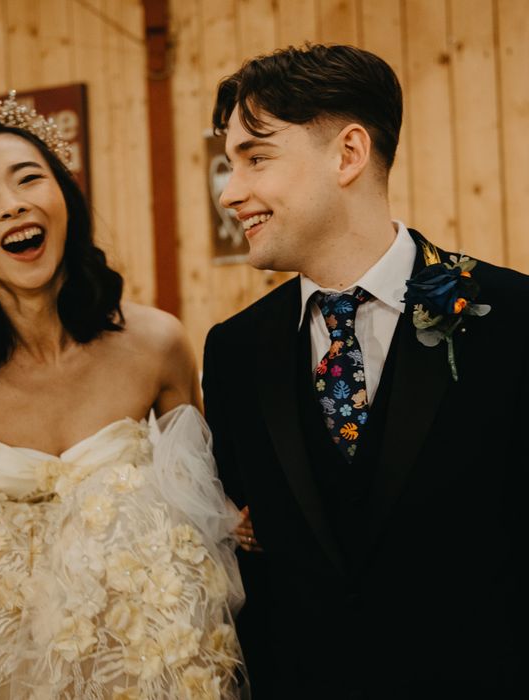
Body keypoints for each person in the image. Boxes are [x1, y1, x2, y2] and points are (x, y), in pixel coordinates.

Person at [0, 93, 247, 699]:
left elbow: (207, 507)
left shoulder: (157, 342)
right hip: (7, 665)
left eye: (29, 179)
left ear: (64, 203)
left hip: (150, 654)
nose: (11, 205)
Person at [202, 44, 528, 699]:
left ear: (349, 154)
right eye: (227, 163)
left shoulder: (514, 319)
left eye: (256, 158)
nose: (231, 192)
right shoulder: (233, 351)